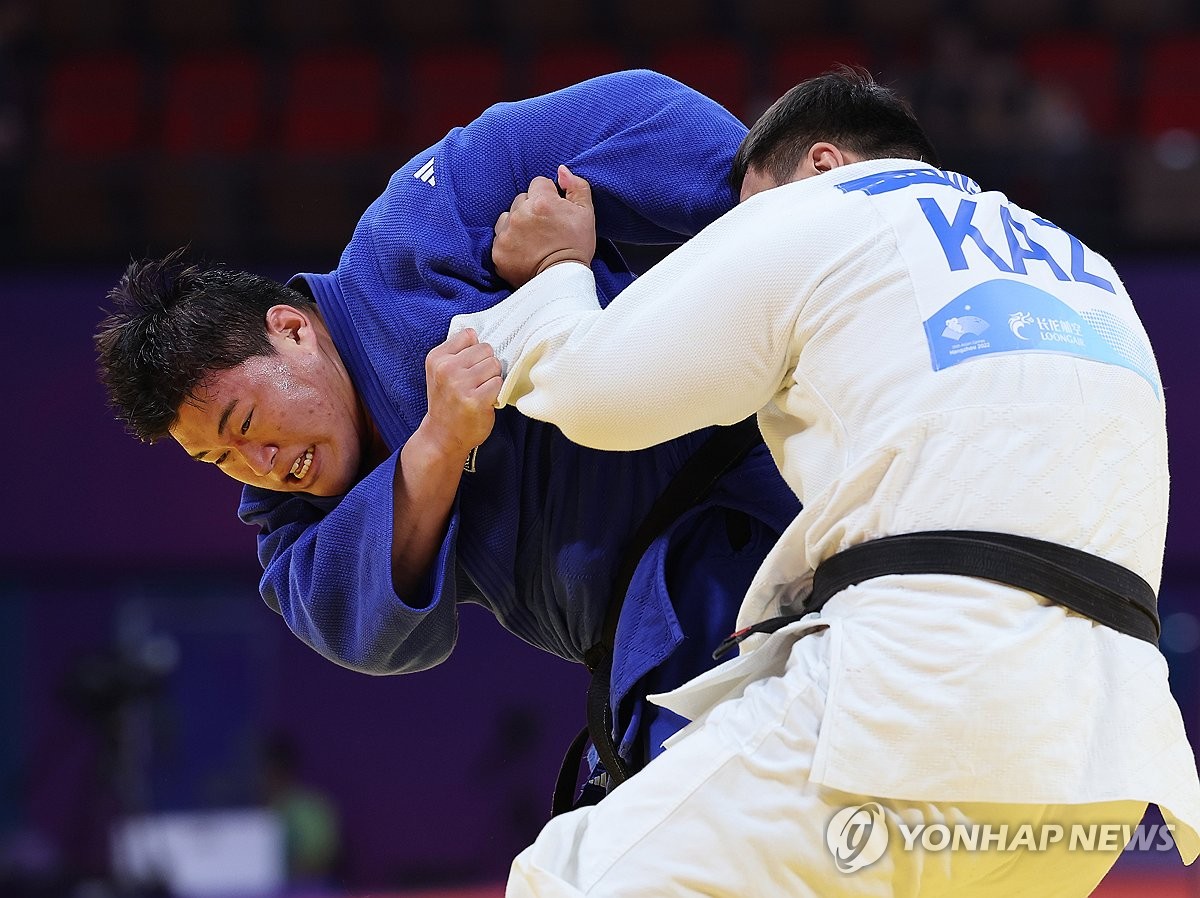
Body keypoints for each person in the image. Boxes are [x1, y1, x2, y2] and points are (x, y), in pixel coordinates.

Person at [451, 68, 1200, 896]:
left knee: (570, 878)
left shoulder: (828, 206)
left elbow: (598, 393)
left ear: (818, 162)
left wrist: (557, 271)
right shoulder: (1085, 267)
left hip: (922, 707)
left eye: (746, 210)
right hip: (1104, 770)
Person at [94, 71, 800, 789]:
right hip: (655, 649)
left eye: (244, 423)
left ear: (292, 331)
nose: (259, 462)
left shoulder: (414, 231)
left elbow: (638, 110)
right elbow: (355, 631)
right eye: (219, 458)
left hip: (768, 492)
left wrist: (788, 223)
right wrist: (437, 446)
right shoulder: (290, 514)